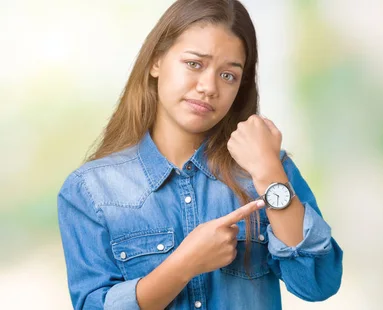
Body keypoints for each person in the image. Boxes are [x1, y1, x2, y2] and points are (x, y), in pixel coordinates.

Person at [56, 0, 343, 309]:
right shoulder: (90, 190)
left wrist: (270, 175)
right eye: (194, 63)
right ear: (156, 61)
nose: (209, 87)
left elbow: (318, 283)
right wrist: (183, 265)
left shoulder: (270, 167)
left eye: (228, 75)